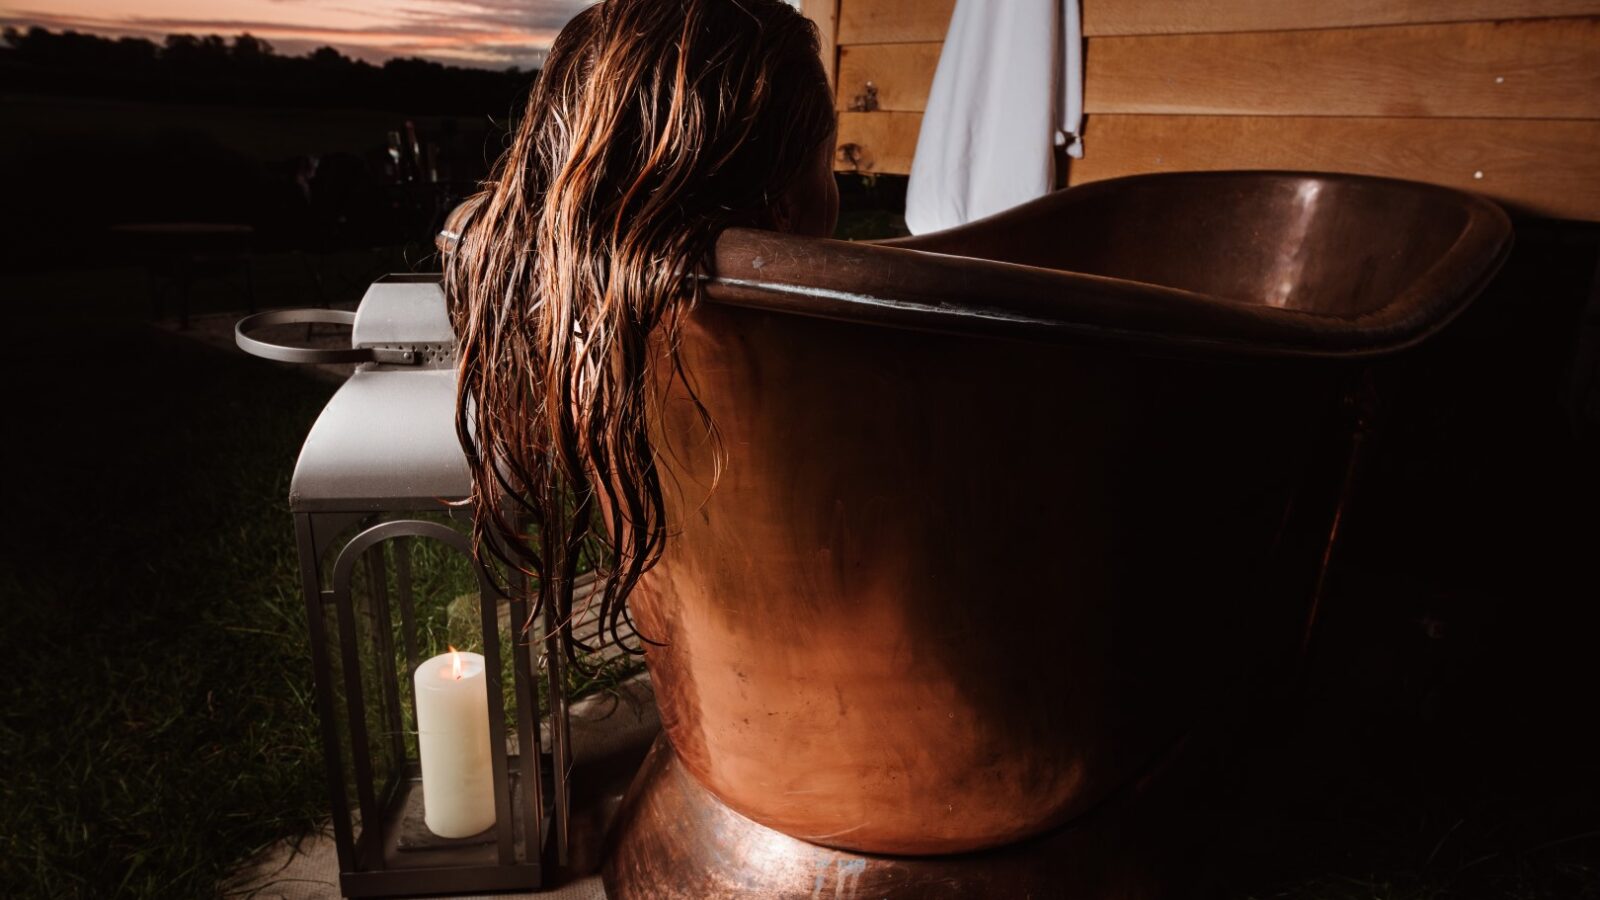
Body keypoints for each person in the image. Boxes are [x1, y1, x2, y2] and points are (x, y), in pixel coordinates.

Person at [443, 0, 838, 657]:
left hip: (707, 701)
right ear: (788, 204)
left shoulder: (588, 326)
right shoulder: (855, 385)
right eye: (828, 165)